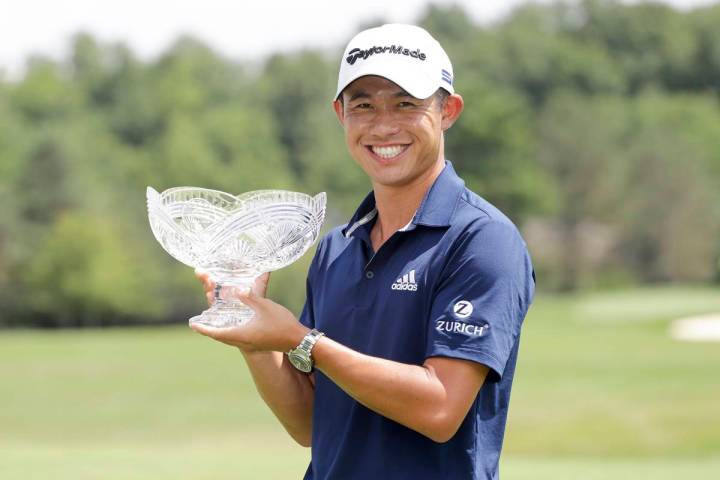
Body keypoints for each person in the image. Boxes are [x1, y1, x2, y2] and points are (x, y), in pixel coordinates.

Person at [193, 23, 535, 480]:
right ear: (340, 114)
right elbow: (310, 422)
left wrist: (300, 340)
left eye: (405, 104)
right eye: (364, 105)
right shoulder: (336, 247)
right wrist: (256, 343)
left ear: (448, 110)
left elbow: (440, 409)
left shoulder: (482, 239)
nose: (383, 124)